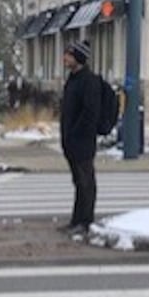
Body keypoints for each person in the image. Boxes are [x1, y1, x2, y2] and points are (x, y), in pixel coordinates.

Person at [59, 40, 100, 238]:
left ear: (78, 58)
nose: (65, 58)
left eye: (69, 54)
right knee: (78, 181)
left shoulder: (88, 81)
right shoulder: (72, 80)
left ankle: (86, 220)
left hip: (82, 141)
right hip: (71, 141)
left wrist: (76, 133)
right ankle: (77, 219)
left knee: (86, 182)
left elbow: (89, 113)